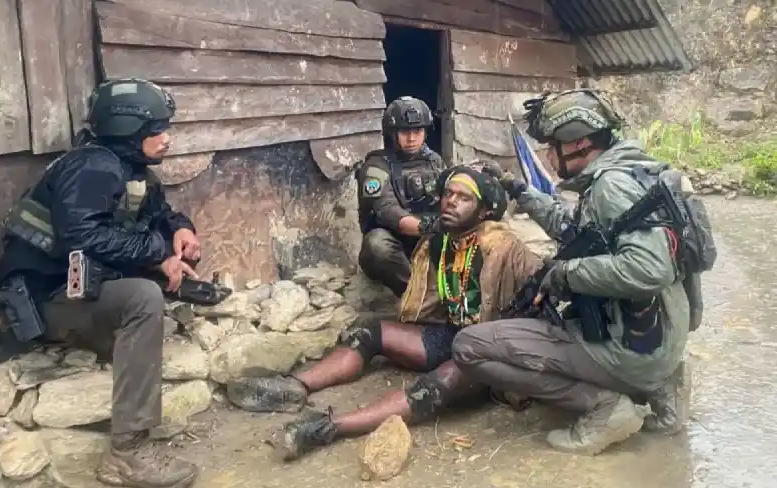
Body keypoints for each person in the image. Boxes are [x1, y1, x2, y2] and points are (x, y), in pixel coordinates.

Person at [226, 164, 543, 460]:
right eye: (448, 194)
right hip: (452, 335)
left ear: (484, 211)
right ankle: (294, 387)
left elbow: (541, 289)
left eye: (464, 198)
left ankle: (328, 427)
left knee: (437, 383)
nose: (451, 201)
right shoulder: (440, 241)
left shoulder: (504, 246)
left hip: (487, 352)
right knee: (369, 331)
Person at [452, 89, 691, 456]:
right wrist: (517, 188)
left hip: (632, 347)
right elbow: (574, 230)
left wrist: (564, 274)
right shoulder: (635, 171)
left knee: (469, 346)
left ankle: (605, 407)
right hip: (663, 335)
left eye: (553, 146)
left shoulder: (610, 186)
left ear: (579, 142)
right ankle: (662, 390)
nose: (548, 156)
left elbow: (650, 268)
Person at [0, 78, 200, 487]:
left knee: (157, 288)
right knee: (144, 297)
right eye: (157, 129)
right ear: (128, 130)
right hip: (48, 299)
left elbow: (160, 214)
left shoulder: (131, 170)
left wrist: (180, 228)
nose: (167, 138)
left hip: (81, 293)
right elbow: (82, 237)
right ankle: (127, 454)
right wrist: (158, 255)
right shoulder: (92, 167)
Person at [356, 96, 450, 297]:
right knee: (377, 245)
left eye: (418, 131)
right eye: (405, 132)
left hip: (426, 241)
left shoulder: (433, 161)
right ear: (392, 134)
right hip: (395, 248)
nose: (412, 138)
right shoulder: (376, 167)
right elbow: (388, 211)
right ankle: (420, 297)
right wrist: (429, 226)